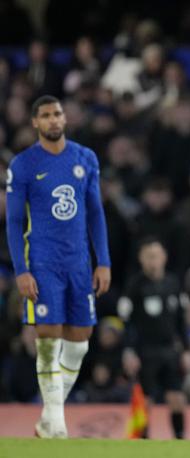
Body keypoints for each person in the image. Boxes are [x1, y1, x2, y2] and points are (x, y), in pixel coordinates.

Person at [5, 95, 111, 438]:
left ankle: (49, 417)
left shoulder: (85, 158)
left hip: (79, 264)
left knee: (80, 342)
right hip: (42, 263)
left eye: (58, 114)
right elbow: (14, 221)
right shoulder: (23, 164)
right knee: (48, 338)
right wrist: (21, 270)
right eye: (46, 115)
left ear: (65, 118)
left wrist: (103, 261)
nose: (53, 120)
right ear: (35, 122)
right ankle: (57, 424)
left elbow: (95, 213)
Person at [117, 237, 190, 439]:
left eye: (156, 256)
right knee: (145, 400)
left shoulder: (173, 283)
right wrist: (129, 351)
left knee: (176, 397)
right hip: (144, 350)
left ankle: (180, 439)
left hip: (169, 349)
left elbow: (181, 321)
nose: (153, 261)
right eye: (148, 257)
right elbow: (126, 322)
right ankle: (143, 441)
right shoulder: (134, 286)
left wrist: (186, 350)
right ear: (141, 259)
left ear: (164, 258)